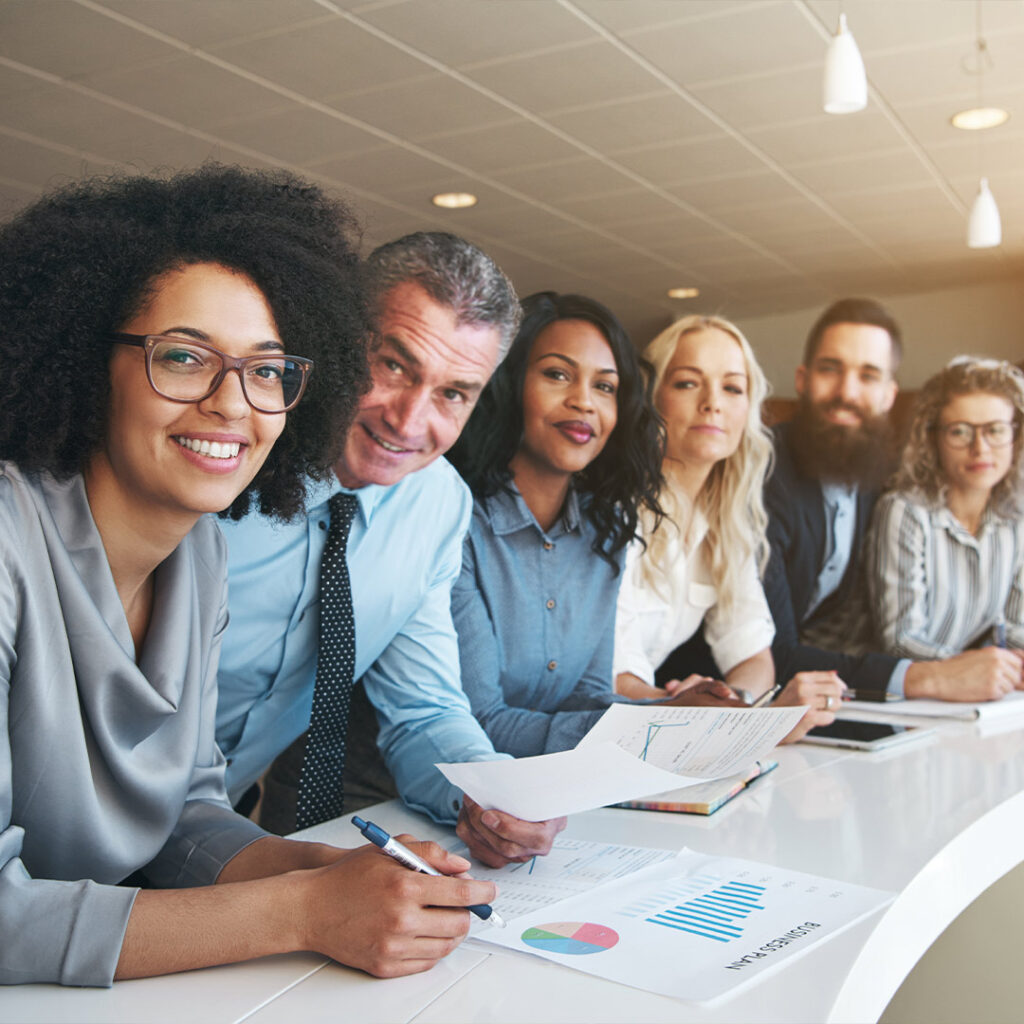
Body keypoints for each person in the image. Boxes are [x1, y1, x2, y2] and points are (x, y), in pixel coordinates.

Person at [0, 168, 498, 988]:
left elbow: (183, 817)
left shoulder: (196, 556)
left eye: (267, 371)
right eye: (186, 357)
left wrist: (328, 873)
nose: (234, 404)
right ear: (87, 360)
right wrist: (305, 911)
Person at [216, 232, 565, 867]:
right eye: (395, 366)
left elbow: (424, 709)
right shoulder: (221, 455)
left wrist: (489, 794)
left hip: (216, 828)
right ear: (340, 337)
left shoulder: (436, 505)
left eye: (453, 393)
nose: (408, 422)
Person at [448, 293, 741, 758]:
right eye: (557, 374)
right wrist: (656, 728)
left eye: (604, 387)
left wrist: (674, 710)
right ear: (510, 384)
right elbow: (479, 720)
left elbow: (584, 697)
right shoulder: (457, 521)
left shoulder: (606, 528)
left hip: (542, 792)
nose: (583, 401)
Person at [764, 297, 1022, 701]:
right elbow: (772, 650)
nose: (980, 449)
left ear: (888, 394)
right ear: (802, 378)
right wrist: (952, 674)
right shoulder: (766, 474)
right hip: (776, 692)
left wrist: (996, 669)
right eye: (831, 369)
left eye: (868, 375)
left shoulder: (870, 475)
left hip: (852, 692)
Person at [613, 315, 843, 739]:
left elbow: (755, 658)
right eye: (687, 383)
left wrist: (732, 700)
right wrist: (725, 716)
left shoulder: (725, 521)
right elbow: (610, 679)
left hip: (656, 732)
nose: (712, 402)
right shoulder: (613, 511)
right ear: (651, 398)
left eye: (732, 387)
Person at [867, 357, 1024, 681]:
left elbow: (1012, 631)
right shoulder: (904, 511)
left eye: (995, 430)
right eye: (960, 432)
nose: (980, 448)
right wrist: (970, 670)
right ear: (933, 439)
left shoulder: (1017, 517)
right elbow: (899, 639)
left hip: (979, 694)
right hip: (903, 692)